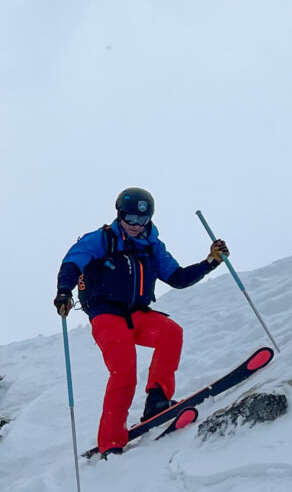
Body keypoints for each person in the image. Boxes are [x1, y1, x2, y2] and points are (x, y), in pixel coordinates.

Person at [54, 187, 229, 455]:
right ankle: (111, 443)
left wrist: (210, 262)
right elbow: (73, 262)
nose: (136, 226)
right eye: (130, 219)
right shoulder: (101, 239)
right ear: (119, 216)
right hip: (105, 314)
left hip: (136, 312)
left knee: (170, 332)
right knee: (124, 372)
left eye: (142, 220)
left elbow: (177, 278)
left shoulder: (152, 247)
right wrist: (64, 291)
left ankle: (157, 400)